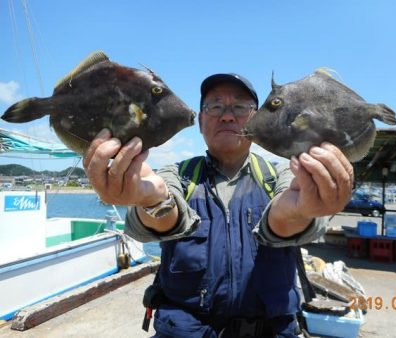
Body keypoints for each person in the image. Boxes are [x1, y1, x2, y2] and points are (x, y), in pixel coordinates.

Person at [83, 73, 354, 337]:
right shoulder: (176, 175)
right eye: (214, 106)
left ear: (257, 119)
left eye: (240, 106)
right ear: (200, 121)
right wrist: (151, 200)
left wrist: (300, 210)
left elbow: (284, 216)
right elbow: (165, 209)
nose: (227, 115)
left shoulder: (281, 175)